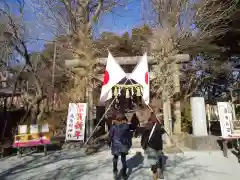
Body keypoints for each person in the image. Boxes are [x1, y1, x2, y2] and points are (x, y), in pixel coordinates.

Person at [141, 112, 165, 180]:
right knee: (159, 158)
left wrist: (143, 144)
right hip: (159, 146)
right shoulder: (159, 126)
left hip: (151, 146)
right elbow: (163, 131)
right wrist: (160, 123)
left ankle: (155, 175)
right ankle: (160, 172)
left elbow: (144, 136)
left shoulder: (147, 125)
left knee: (153, 162)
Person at [109, 112, 132, 180]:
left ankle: (115, 172)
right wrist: (129, 144)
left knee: (115, 158)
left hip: (115, 145)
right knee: (123, 159)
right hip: (124, 145)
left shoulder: (113, 126)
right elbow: (129, 136)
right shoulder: (127, 126)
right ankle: (124, 174)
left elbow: (110, 135)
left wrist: (109, 142)